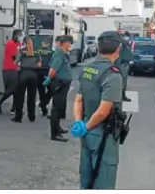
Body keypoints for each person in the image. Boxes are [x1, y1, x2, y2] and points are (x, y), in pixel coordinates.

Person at [72, 31, 124, 189]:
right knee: (104, 178)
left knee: (86, 176)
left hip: (86, 128)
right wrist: (88, 126)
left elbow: (78, 99)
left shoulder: (87, 69)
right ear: (118, 49)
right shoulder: (113, 75)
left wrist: (80, 124)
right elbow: (103, 110)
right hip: (103, 131)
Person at [45, 35, 73, 142]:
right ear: (63, 43)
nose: (70, 45)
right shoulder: (59, 54)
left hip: (63, 84)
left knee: (60, 107)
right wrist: (48, 80)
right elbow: (52, 70)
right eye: (69, 43)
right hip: (59, 83)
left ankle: (58, 128)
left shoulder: (63, 54)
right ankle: (54, 133)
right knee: (56, 108)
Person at [12, 36, 42, 123]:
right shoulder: (36, 52)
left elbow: (15, 63)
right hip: (33, 75)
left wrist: (19, 66)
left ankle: (18, 117)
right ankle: (31, 117)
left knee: (20, 96)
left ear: (24, 43)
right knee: (32, 97)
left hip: (23, 74)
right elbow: (39, 65)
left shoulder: (21, 51)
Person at [0, 29, 23, 115]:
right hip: (9, 69)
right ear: (16, 36)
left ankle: (14, 108)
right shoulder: (10, 44)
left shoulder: (18, 44)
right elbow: (14, 58)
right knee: (12, 89)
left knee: (16, 90)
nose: (22, 37)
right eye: (21, 35)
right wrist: (19, 64)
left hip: (14, 69)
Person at [37, 37, 54, 117]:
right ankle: (43, 103)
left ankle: (44, 109)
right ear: (49, 44)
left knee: (41, 91)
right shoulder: (52, 52)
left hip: (38, 72)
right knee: (51, 89)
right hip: (47, 72)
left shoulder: (37, 51)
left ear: (42, 43)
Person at [118, 32, 133, 102]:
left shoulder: (126, 44)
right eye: (127, 36)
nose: (128, 38)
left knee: (124, 81)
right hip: (122, 64)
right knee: (122, 81)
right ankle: (120, 95)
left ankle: (122, 95)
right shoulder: (122, 44)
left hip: (125, 64)